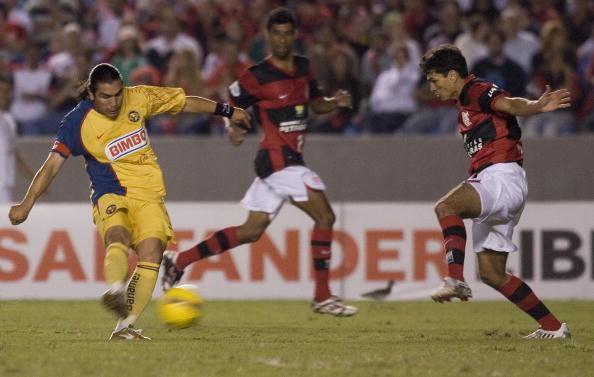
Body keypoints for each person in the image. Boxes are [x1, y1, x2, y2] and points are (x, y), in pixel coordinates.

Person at [8, 63, 250, 340]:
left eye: (117, 95)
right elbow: (51, 165)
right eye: (105, 97)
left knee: (152, 253)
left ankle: (124, 327)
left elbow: (184, 103)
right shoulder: (76, 122)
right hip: (110, 192)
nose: (113, 103)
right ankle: (114, 290)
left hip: (148, 194)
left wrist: (229, 111)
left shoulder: (139, 97)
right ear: (91, 93)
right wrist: (27, 203)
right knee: (118, 234)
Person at [161, 7, 357, 317]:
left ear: (294, 36)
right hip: (279, 161)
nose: (281, 39)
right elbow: (234, 102)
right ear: (267, 36)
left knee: (251, 231)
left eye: (286, 34)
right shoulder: (256, 75)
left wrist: (334, 103)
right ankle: (322, 295)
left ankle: (180, 260)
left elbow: (316, 103)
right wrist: (233, 128)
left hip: (286, 163)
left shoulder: (305, 68)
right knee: (326, 217)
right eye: (275, 34)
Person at [421, 44, 571, 339]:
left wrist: (537, 106)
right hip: (501, 183)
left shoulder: (476, 90)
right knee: (492, 273)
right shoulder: (464, 102)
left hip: (501, 177)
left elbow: (509, 103)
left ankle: (455, 279)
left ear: (453, 75)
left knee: (446, 207)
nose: (431, 87)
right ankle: (553, 328)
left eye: (434, 79)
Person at [0, 75, 33, 203]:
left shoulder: (9, 121)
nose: (4, 95)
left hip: (5, 183)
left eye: (7, 91)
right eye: (1, 91)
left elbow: (14, 155)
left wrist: (35, 181)